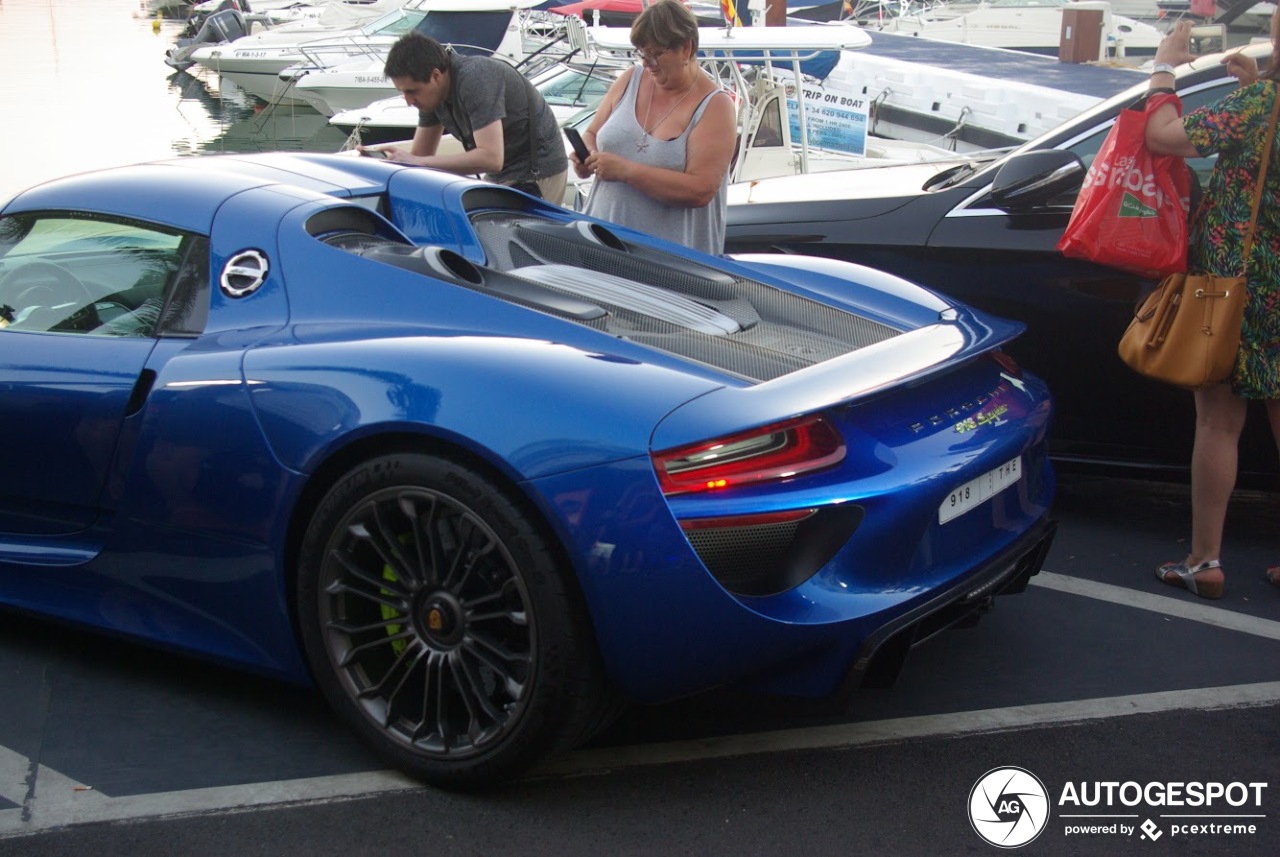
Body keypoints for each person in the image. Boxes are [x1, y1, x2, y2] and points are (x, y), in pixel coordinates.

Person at [1144, 15, 1280, 598]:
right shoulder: (1262, 102)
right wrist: (1253, 90)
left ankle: (1204, 561)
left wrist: (1163, 68)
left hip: (1236, 276)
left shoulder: (1263, 104)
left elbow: (1164, 137)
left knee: (1219, 420)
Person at [571, 0, 736, 255]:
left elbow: (700, 190)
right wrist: (589, 158)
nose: (647, 63)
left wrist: (626, 171)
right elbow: (592, 133)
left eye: (656, 54)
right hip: (601, 246)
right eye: (642, 54)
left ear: (686, 48)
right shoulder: (630, 79)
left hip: (667, 263)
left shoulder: (715, 106)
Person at [370, 33, 568, 203]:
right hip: (502, 172)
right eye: (403, 92)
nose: (408, 100)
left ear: (436, 75)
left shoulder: (475, 78)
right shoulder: (430, 94)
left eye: (412, 92)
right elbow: (420, 157)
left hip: (538, 172)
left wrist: (417, 162)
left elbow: (491, 158)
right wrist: (386, 161)